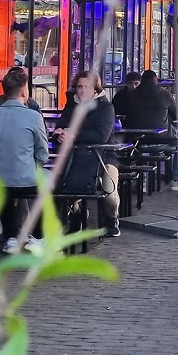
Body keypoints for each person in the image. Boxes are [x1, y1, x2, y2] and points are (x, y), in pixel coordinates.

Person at [0, 67, 49, 253]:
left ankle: (11, 237)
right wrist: (31, 165)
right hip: (25, 180)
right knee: (48, 183)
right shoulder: (34, 117)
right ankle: (38, 237)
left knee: (4, 186)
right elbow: (43, 153)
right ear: (24, 91)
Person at [53, 71, 121, 237]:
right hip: (77, 157)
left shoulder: (106, 107)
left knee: (110, 192)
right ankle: (76, 215)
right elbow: (60, 127)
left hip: (104, 156)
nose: (82, 90)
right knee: (64, 189)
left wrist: (72, 135)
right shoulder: (72, 105)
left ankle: (112, 219)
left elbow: (101, 136)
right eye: (79, 86)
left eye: (86, 87)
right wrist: (59, 136)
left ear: (95, 89)